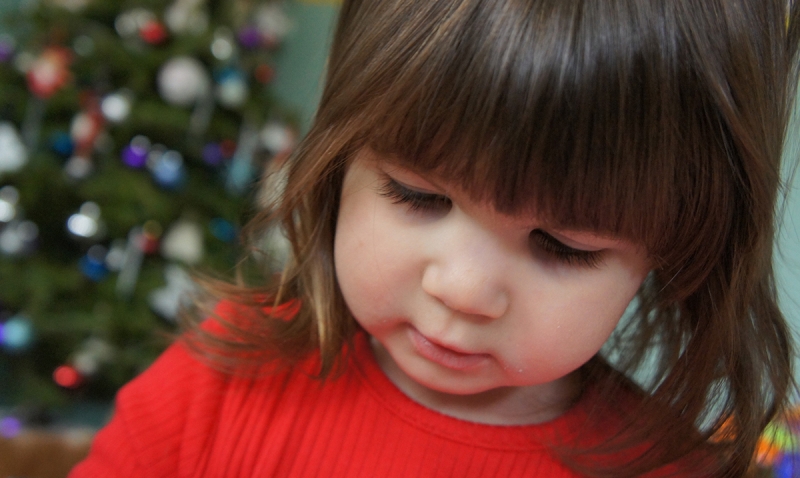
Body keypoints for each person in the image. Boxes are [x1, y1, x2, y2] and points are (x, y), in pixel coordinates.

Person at [70, 0, 800, 476]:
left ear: (677, 248)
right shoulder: (219, 380)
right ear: (339, 157)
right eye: (418, 196)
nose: (461, 289)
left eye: (562, 246)